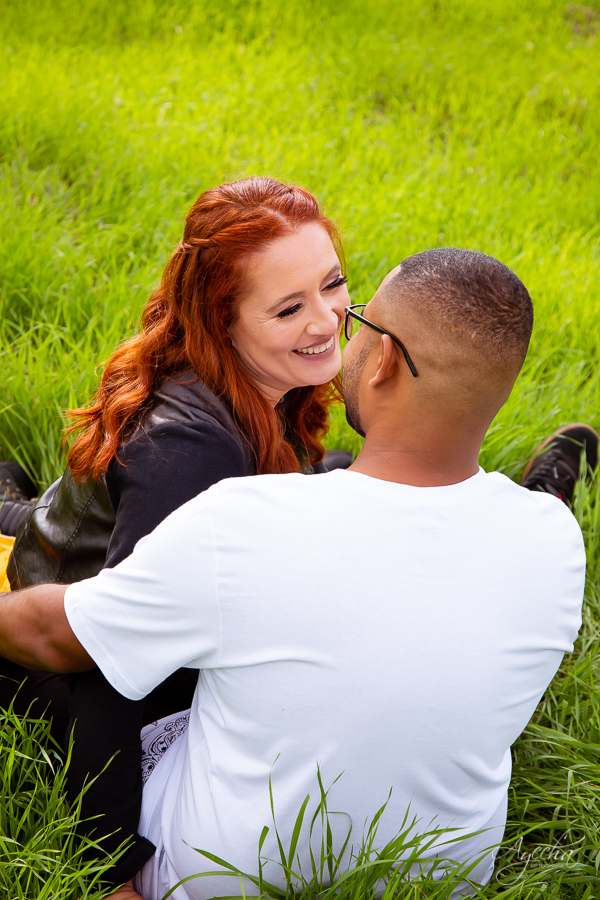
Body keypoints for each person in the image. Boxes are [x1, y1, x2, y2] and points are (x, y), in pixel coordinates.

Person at [0, 248, 588, 899]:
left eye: (356, 319)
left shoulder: (246, 523)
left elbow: (56, 638)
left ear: (385, 359)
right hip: (434, 883)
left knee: (111, 649)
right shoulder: (554, 540)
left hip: (206, 880)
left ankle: (14, 506)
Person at [0, 176, 353, 889]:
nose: (326, 319)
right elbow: (115, 669)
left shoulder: (260, 377)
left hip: (95, 531)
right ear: (223, 322)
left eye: (334, 283)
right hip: (61, 632)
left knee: (341, 475)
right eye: (288, 307)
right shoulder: (188, 453)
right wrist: (117, 873)